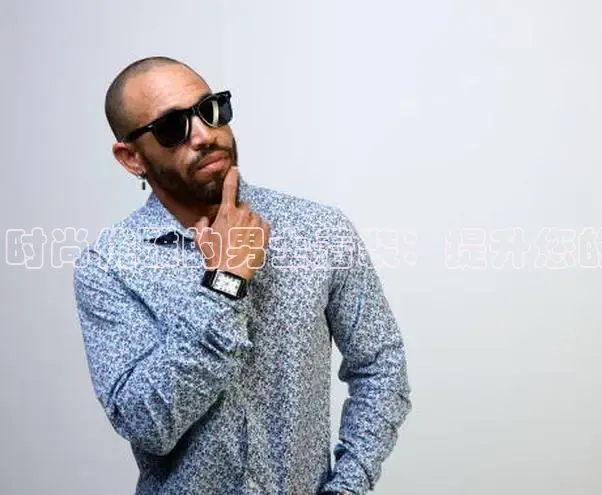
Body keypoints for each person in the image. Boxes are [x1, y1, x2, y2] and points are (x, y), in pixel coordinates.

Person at [72, 56, 411, 495]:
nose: (204, 135)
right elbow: (146, 424)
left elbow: (381, 366)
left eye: (210, 110)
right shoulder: (110, 266)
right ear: (131, 158)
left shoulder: (318, 229)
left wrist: (347, 486)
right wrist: (225, 282)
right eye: (172, 127)